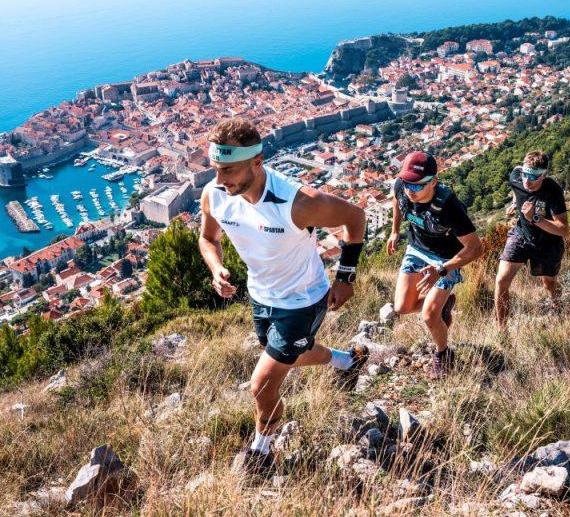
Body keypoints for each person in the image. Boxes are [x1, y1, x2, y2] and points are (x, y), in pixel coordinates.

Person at [199, 119, 369, 476]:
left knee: (262, 384)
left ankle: (261, 451)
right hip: (262, 297)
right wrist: (216, 269)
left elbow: (356, 217)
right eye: (216, 169)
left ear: (257, 162)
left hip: (304, 299)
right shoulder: (214, 195)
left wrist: (346, 277)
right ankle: (346, 361)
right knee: (294, 354)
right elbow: (208, 239)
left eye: (228, 169)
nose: (220, 178)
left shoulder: (298, 202)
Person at [386, 151, 482, 379]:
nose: (411, 190)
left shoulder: (449, 208)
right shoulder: (402, 186)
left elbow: (476, 248)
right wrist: (394, 231)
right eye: (408, 183)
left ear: (434, 182)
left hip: (445, 258)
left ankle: (443, 354)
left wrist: (442, 269)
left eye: (418, 186)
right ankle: (444, 303)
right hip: (416, 249)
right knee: (401, 307)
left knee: (429, 316)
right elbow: (397, 200)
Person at [494, 150, 569, 326]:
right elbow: (516, 188)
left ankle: (558, 308)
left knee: (549, 284)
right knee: (501, 280)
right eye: (526, 175)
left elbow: (564, 229)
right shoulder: (516, 175)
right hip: (521, 235)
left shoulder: (553, 190)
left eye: (535, 177)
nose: (528, 181)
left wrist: (535, 218)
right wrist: (515, 202)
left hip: (548, 243)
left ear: (544, 175)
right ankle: (501, 331)